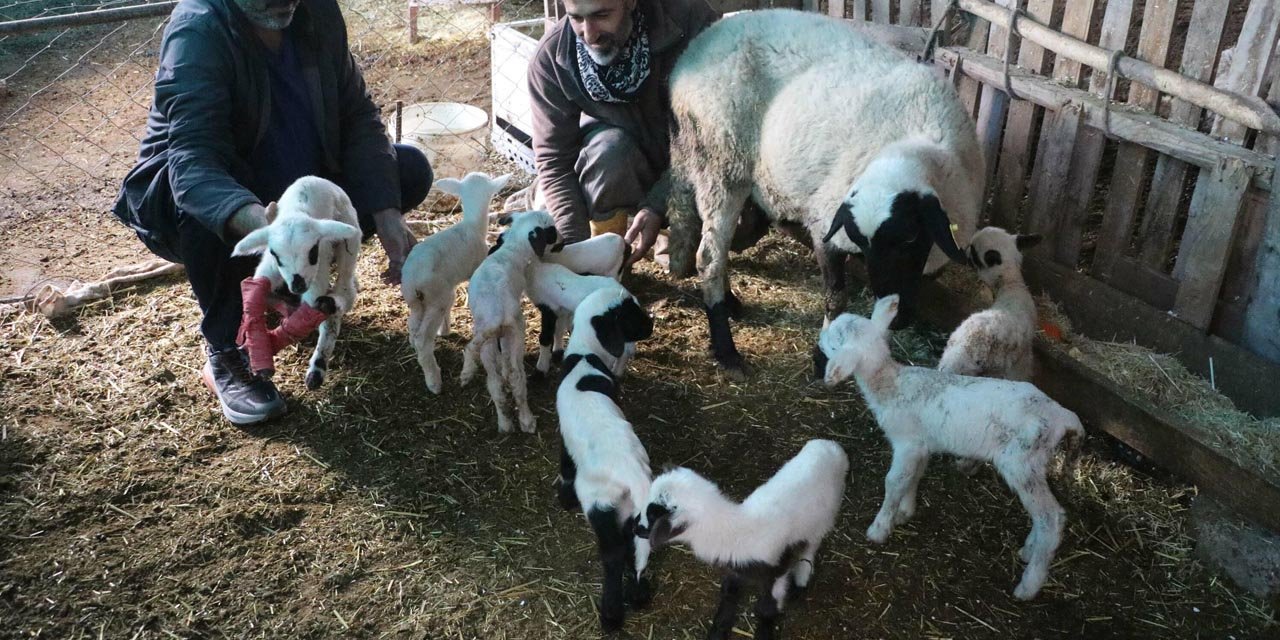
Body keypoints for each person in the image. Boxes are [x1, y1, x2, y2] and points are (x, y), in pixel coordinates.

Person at [113, 0, 432, 425]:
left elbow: (358, 117)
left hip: (295, 190)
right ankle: (228, 348)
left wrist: (388, 215)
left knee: (406, 170)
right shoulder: (198, 30)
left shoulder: (317, 11)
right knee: (205, 200)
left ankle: (288, 285)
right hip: (220, 197)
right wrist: (272, 230)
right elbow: (194, 164)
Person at [527, 0, 717, 267]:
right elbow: (554, 160)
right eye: (576, 18)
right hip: (623, 161)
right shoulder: (552, 57)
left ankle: (666, 231)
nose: (589, 34)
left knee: (738, 224)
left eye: (601, 15)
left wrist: (658, 205)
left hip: (694, 156)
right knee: (608, 152)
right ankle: (610, 255)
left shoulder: (690, 21)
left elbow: (711, 137)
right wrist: (574, 251)